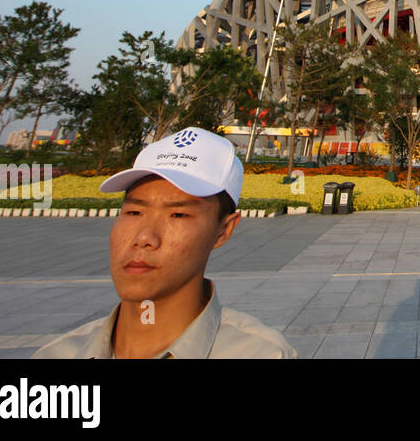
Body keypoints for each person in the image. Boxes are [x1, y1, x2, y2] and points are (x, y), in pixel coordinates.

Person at [33, 127, 297, 359]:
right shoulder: (57, 355)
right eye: (134, 213)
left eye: (178, 214)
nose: (144, 238)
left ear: (224, 230)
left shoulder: (262, 354)